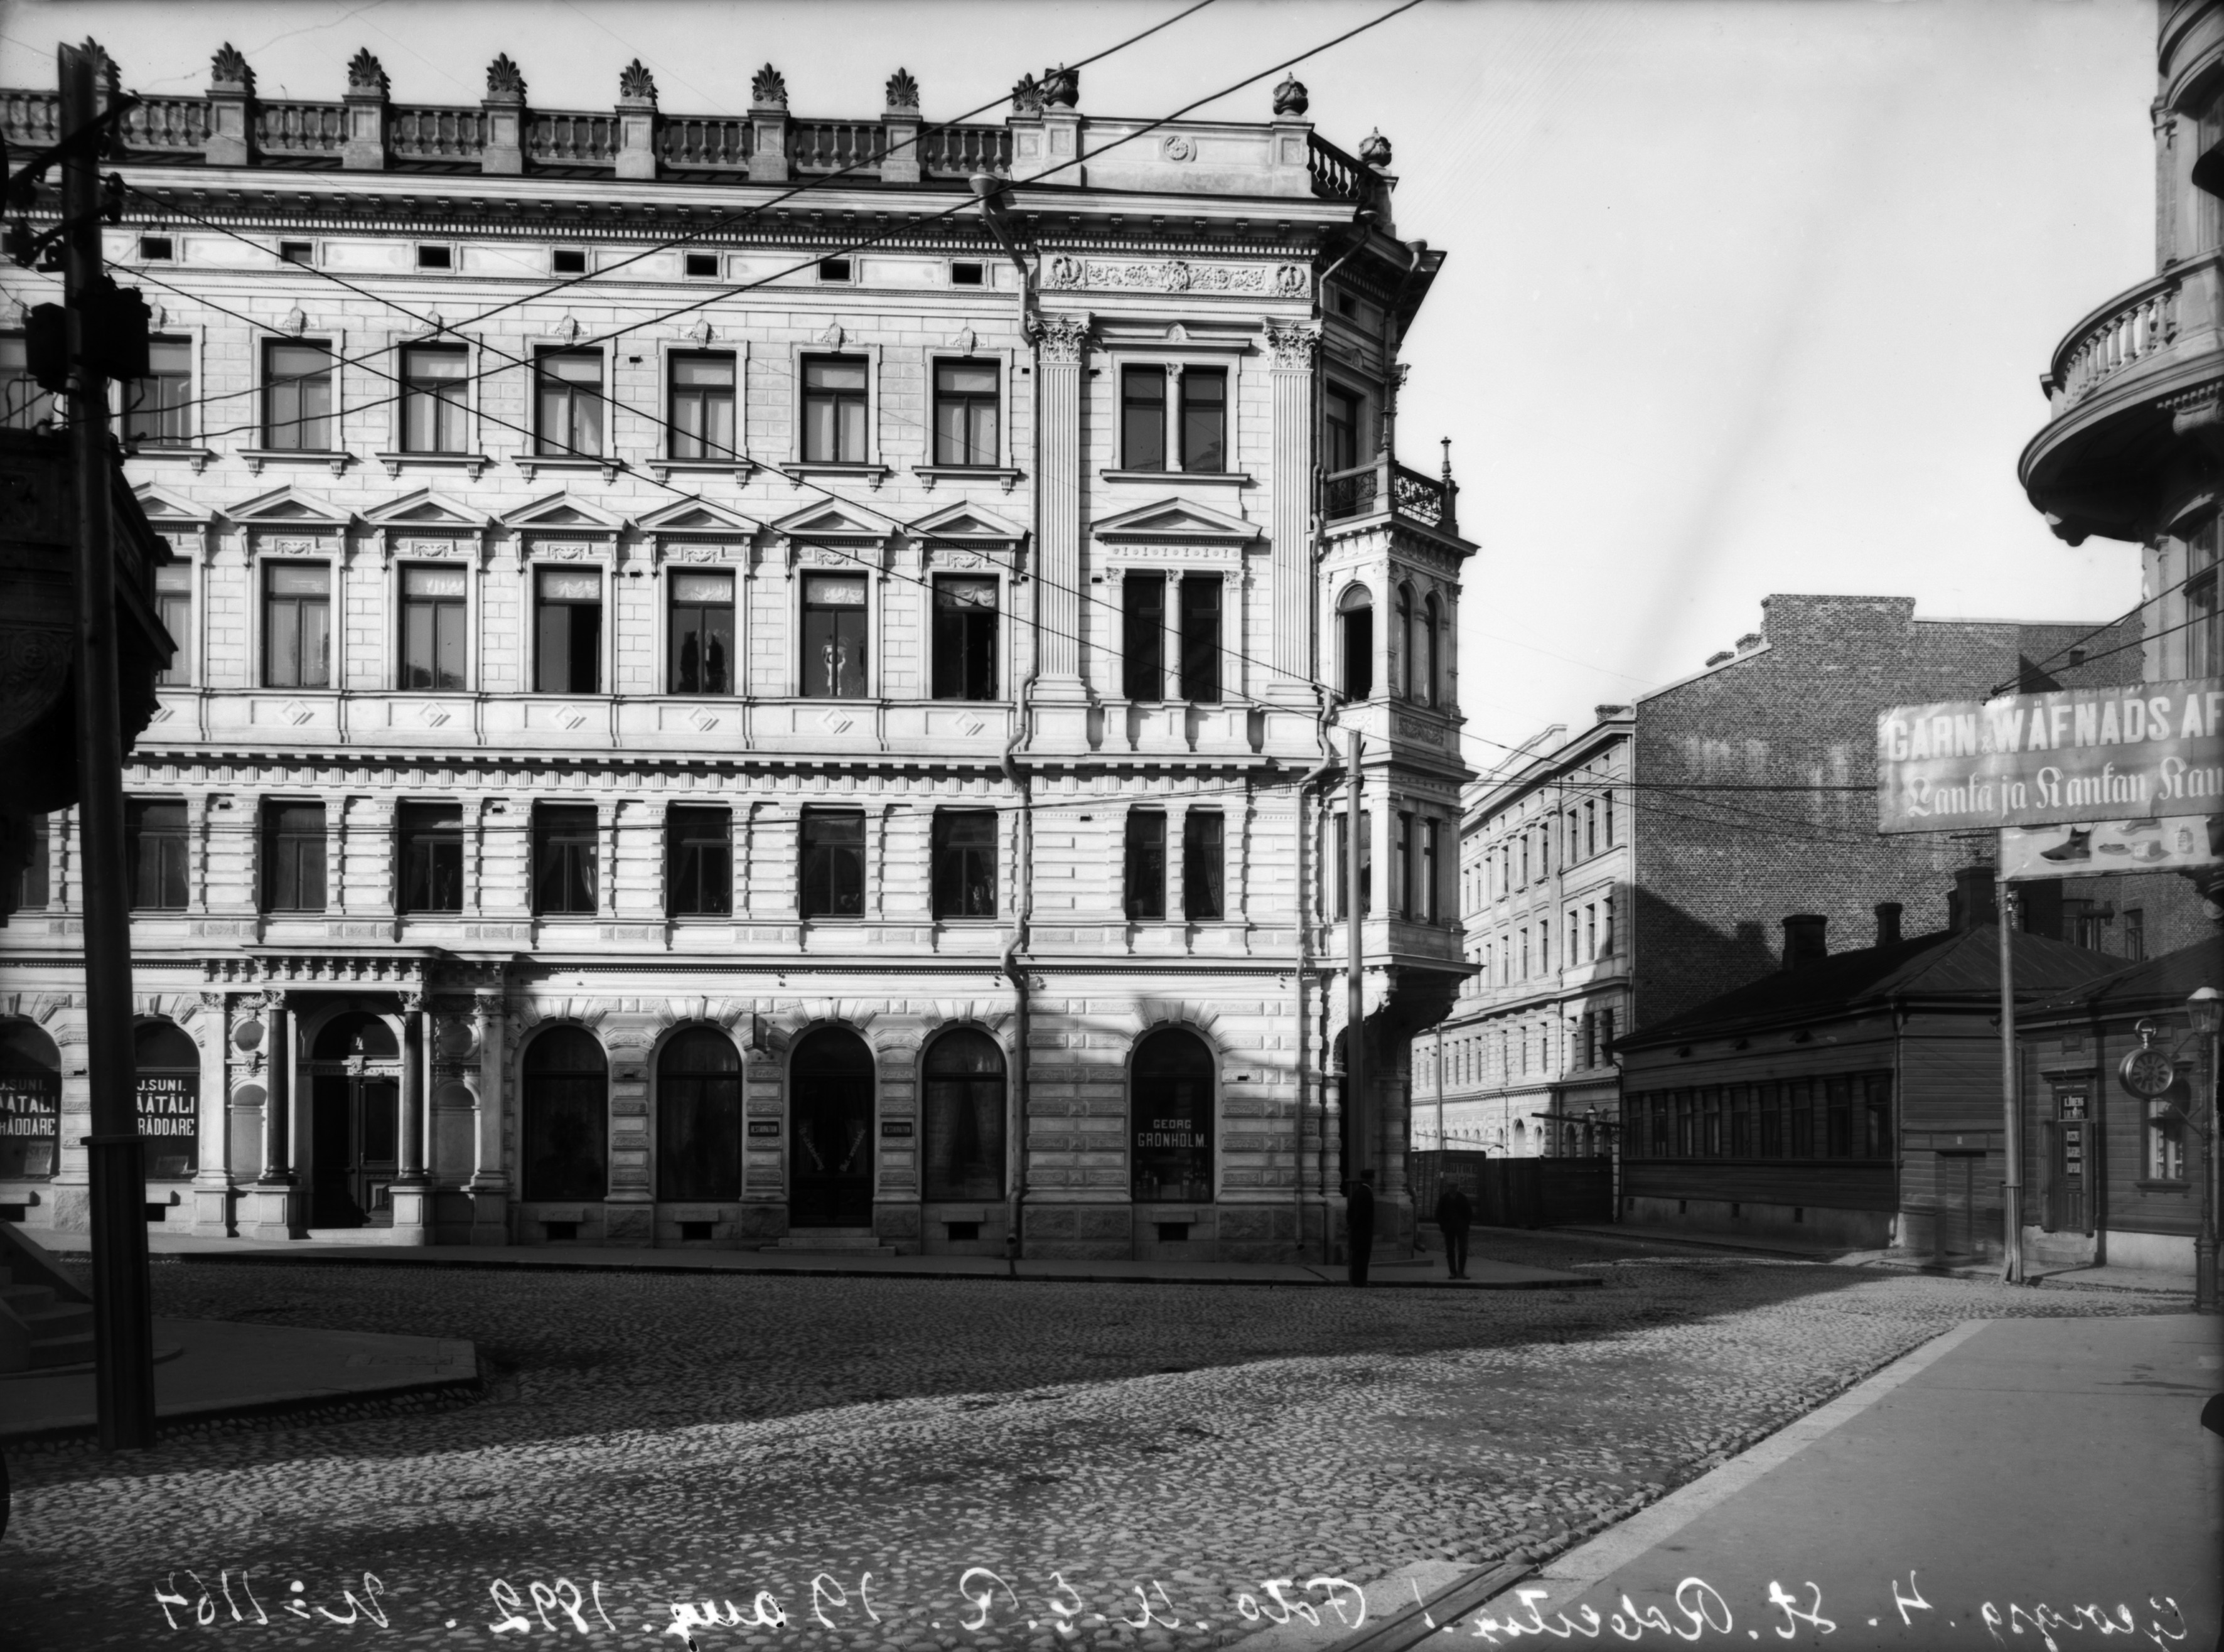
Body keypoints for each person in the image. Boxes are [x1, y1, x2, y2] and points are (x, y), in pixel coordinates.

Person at [1435, 1181, 1473, 1280]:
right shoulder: (1444, 1199)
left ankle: (1461, 1271)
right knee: (1450, 1250)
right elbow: (1439, 1214)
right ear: (1448, 1187)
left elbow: (1468, 1213)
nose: (1452, 1188)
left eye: (1454, 1186)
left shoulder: (1462, 1198)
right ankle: (1453, 1272)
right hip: (1449, 1228)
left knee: (1462, 1250)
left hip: (1461, 1228)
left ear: (1457, 1187)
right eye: (1451, 1186)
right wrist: (1443, 1226)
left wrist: (1465, 1225)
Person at [1346, 1172, 1375, 1287]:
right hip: (1363, 1232)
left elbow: (1350, 1211)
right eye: (1373, 1179)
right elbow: (1361, 1214)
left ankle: (1356, 1280)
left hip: (1358, 1232)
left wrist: (1350, 1224)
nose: (1374, 1182)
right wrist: (1354, 1225)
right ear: (1369, 1180)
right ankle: (1361, 1281)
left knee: (1357, 1258)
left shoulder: (1357, 1192)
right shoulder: (1366, 1193)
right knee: (1362, 1259)